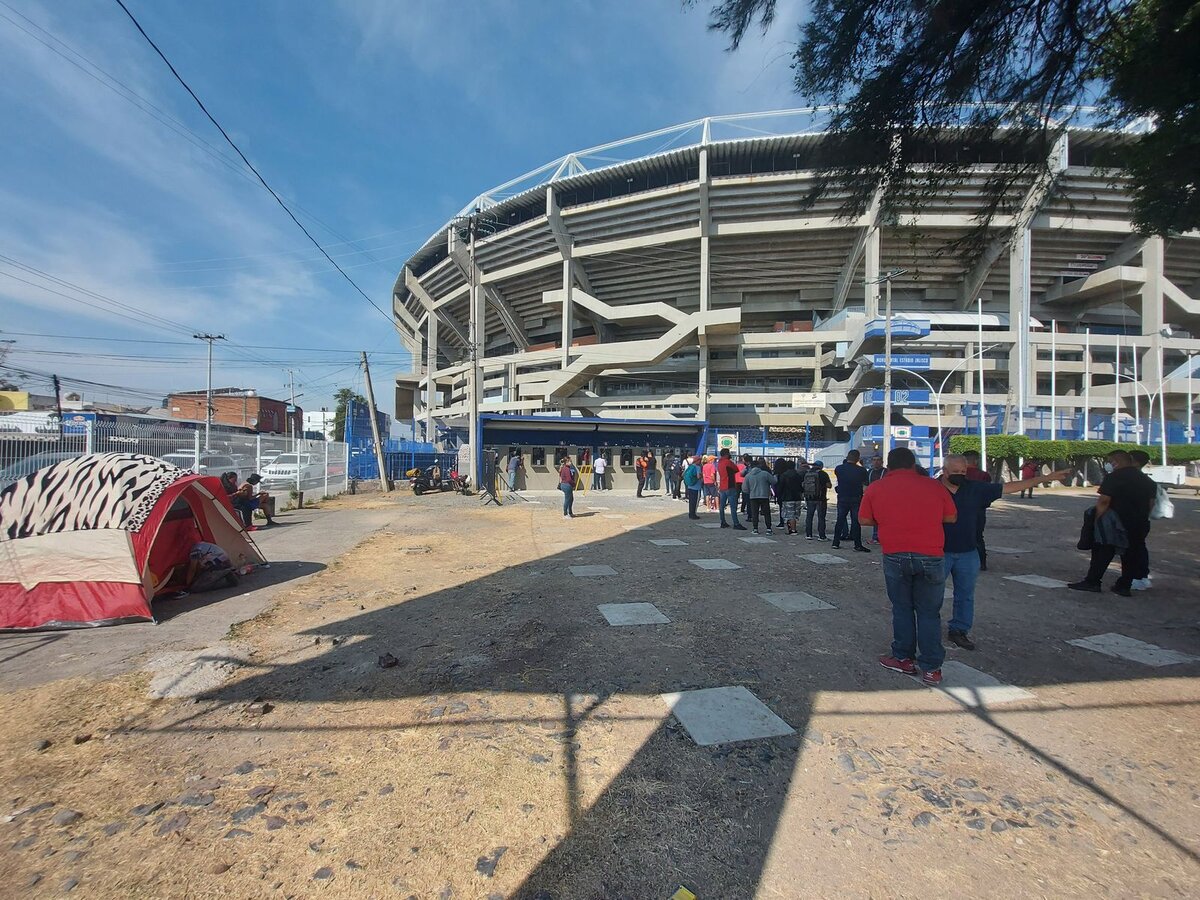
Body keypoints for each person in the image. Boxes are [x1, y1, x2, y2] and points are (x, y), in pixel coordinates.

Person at [939, 455, 1073, 650]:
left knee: (965, 595)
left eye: (963, 472)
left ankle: (959, 629)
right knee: (932, 594)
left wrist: (1044, 478)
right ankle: (928, 628)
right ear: (945, 471)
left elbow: (1009, 487)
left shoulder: (975, 488)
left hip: (968, 551)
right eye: (955, 472)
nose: (960, 475)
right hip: (938, 552)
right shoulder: (931, 488)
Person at [859, 447, 958, 686]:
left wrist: (888, 519)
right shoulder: (934, 486)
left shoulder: (876, 488)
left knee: (902, 608)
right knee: (929, 612)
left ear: (888, 466)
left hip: (895, 554)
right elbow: (951, 517)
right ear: (913, 464)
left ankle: (903, 658)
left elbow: (864, 519)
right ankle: (932, 668)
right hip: (931, 554)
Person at [1068, 450, 1157, 597]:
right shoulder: (1147, 481)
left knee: (1102, 551)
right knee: (1131, 554)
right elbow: (1151, 504)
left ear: (1116, 461)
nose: (1109, 464)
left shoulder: (1114, 477)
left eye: (1110, 461)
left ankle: (1093, 581)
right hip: (1138, 522)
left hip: (1114, 521)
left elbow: (1104, 501)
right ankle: (1124, 586)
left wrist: (1097, 519)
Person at [832, 449, 871, 552]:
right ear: (858, 458)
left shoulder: (839, 468)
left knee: (840, 520)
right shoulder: (862, 470)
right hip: (856, 498)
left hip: (842, 497)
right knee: (856, 522)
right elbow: (865, 486)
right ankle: (857, 544)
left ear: (847, 457)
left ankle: (835, 542)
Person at [962, 449, 991, 570]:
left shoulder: (959, 475)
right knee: (978, 536)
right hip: (978, 510)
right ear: (976, 460)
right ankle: (982, 562)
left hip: (960, 509)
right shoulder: (984, 475)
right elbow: (988, 494)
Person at [1129, 449, 1154, 590]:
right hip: (1142, 519)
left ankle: (1135, 577)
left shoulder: (1127, 479)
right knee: (1139, 547)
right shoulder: (1148, 481)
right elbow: (1151, 503)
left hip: (1130, 519)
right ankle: (1142, 575)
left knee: (1132, 549)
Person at [743, 459, 778, 535]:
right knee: (766, 513)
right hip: (764, 495)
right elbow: (774, 481)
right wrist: (775, 476)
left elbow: (744, 489)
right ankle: (769, 529)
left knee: (754, 513)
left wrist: (750, 491)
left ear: (751, 467)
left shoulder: (748, 476)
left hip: (753, 496)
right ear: (759, 466)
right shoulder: (765, 474)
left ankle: (755, 529)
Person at [716, 448, 746, 530]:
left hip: (722, 486)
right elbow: (736, 469)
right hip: (730, 486)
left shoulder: (719, 463)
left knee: (722, 506)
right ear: (726, 454)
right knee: (733, 506)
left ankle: (723, 522)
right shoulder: (728, 462)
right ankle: (736, 523)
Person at [803, 460, 832, 540]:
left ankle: (808, 534)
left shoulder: (807, 474)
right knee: (821, 517)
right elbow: (829, 485)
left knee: (809, 516)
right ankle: (821, 536)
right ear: (821, 466)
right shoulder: (823, 474)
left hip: (809, 497)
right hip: (820, 498)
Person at [776, 460, 804, 535]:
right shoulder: (798, 475)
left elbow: (780, 487)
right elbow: (801, 487)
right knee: (795, 514)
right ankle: (792, 528)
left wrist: (778, 495)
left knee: (789, 514)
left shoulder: (784, 475)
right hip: (797, 497)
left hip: (787, 498)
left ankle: (792, 530)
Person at [866, 456, 886, 543]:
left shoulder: (886, 472)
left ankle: (881, 536)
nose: (876, 462)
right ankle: (875, 536)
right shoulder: (870, 472)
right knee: (875, 518)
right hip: (873, 498)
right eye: (874, 460)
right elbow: (866, 484)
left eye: (878, 460)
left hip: (884, 498)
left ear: (882, 461)